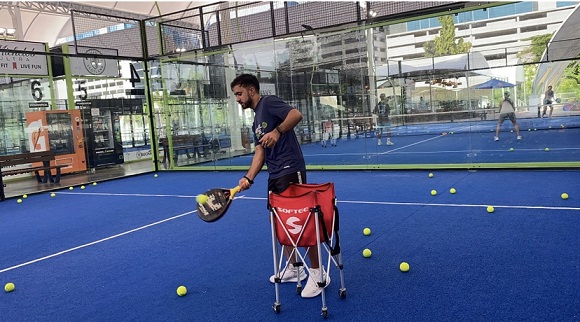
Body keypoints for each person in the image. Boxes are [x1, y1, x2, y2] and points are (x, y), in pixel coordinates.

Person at [230, 74, 329, 298]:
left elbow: (296, 114)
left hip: (290, 168)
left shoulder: (269, 102)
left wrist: (278, 131)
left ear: (251, 91)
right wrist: (249, 178)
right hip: (274, 174)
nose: (237, 98)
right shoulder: (256, 120)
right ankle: (295, 267)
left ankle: (318, 273)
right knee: (277, 220)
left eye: (239, 93)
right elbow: (260, 152)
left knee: (300, 222)